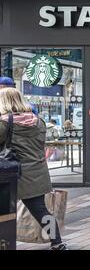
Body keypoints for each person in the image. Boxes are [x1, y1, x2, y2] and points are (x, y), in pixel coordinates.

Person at [0, 88, 67, 250]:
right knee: (41, 211)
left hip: (10, 174)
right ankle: (57, 242)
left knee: (4, 213)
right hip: (36, 173)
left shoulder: (4, 123)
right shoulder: (38, 121)